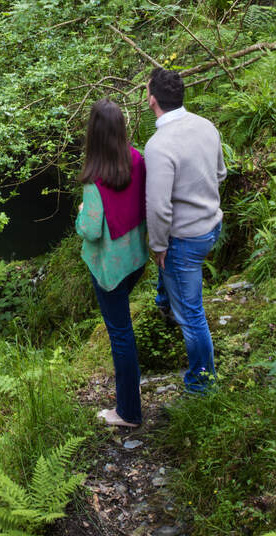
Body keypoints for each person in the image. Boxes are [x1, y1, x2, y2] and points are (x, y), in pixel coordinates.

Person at [144, 66, 226, 393]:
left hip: (185, 240)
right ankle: (164, 300)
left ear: (152, 100)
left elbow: (159, 208)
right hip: (212, 225)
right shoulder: (206, 126)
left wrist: (158, 246)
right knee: (175, 283)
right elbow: (219, 174)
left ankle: (201, 385)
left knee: (192, 316)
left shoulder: (159, 145)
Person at [76, 98, 149, 428]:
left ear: (92, 133)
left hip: (108, 269)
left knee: (121, 335)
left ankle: (128, 412)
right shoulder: (137, 159)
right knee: (123, 331)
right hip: (135, 259)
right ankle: (128, 397)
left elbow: (91, 232)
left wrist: (79, 217)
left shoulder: (95, 181)